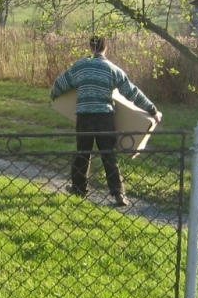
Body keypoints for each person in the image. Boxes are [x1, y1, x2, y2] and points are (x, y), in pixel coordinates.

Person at [50, 36, 162, 207]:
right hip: (105, 117)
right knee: (108, 155)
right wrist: (152, 110)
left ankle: (79, 189)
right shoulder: (112, 69)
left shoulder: (79, 67)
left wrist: (54, 97)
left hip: (84, 117)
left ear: (90, 47)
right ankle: (119, 195)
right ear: (105, 48)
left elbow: (59, 84)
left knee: (82, 153)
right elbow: (132, 92)